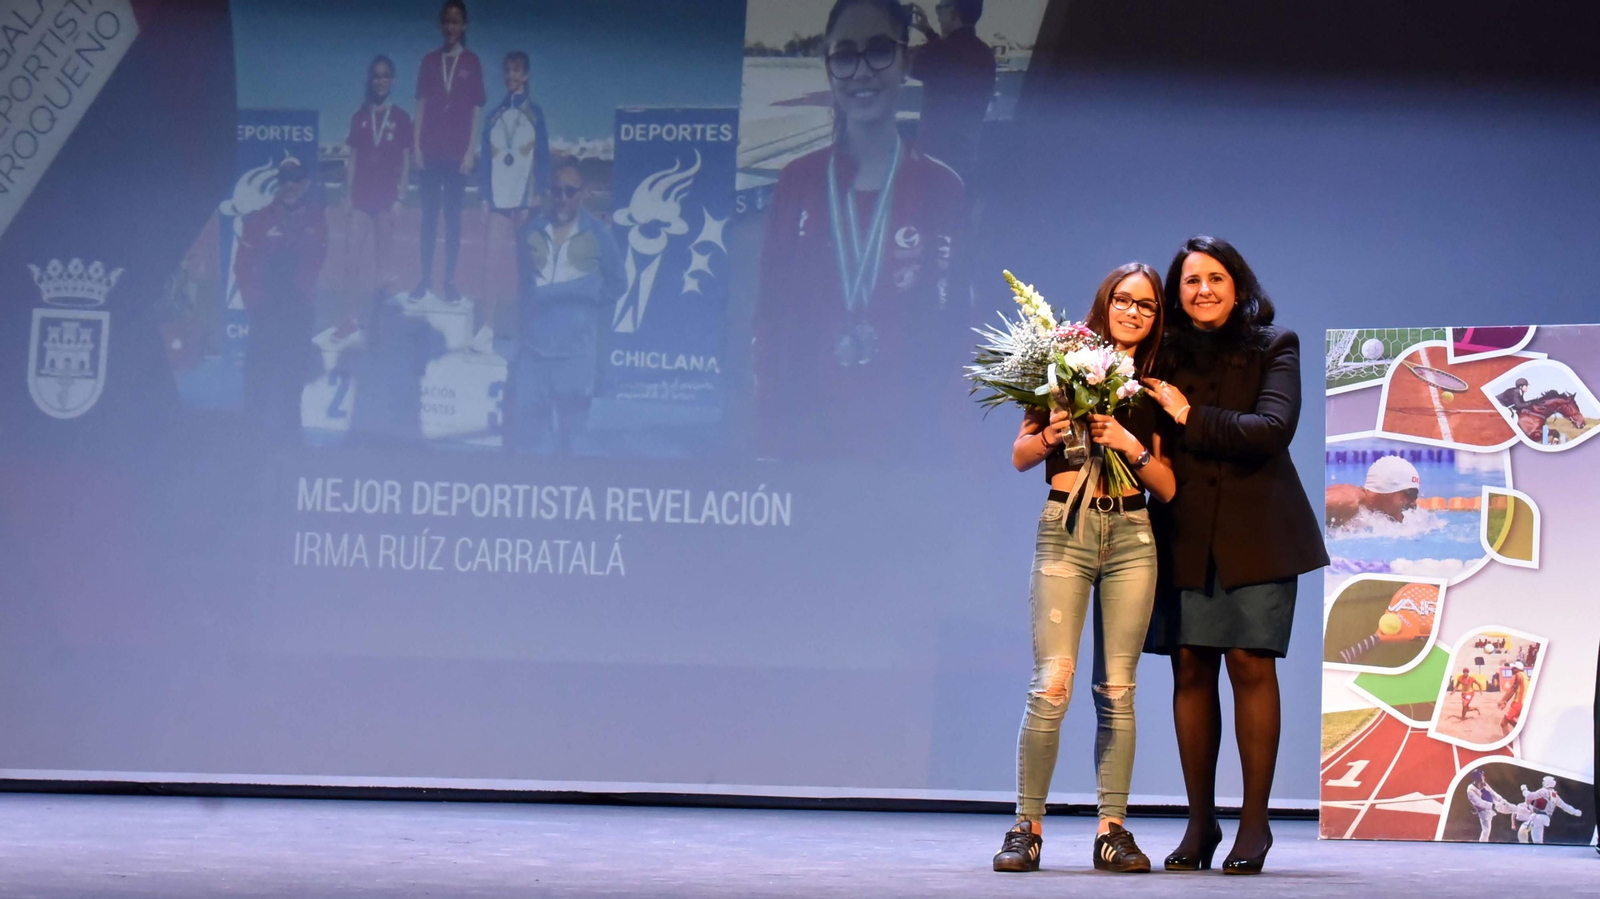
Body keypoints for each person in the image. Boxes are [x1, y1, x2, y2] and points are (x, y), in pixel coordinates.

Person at [1140, 235, 1328, 875]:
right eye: (1191, 282)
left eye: (1215, 278)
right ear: (1177, 294)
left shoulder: (1275, 346)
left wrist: (1192, 417)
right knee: (1189, 669)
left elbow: (1271, 431)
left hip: (1260, 534)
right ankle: (1200, 822)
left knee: (1251, 666)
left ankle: (1255, 822)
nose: (1204, 290)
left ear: (1239, 286)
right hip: (1183, 531)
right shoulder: (1159, 355)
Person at [991, 263, 1176, 875]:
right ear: (1105, 302)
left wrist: (1129, 444)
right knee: (1053, 682)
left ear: (1156, 317)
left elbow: (1168, 486)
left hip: (1130, 534)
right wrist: (1052, 434)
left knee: (1117, 690)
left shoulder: (1156, 385)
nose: (1134, 312)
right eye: (1124, 300)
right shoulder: (1059, 364)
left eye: (1147, 306)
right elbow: (1020, 455)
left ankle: (1112, 831)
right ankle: (1027, 827)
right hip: (1066, 531)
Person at [752, 0, 967, 462]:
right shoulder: (798, 182)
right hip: (808, 445)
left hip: (909, 451)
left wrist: (948, 456)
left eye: (878, 51)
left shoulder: (942, 188)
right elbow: (769, 315)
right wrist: (771, 437)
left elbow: (957, 333)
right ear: (829, 67)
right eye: (845, 55)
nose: (861, 70)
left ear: (906, 60)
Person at [512, 160, 624, 455]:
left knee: (572, 444)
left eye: (570, 191)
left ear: (583, 193)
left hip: (575, 359)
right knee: (531, 445)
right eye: (556, 190)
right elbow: (523, 283)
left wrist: (582, 305)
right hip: (533, 357)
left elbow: (617, 283)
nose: (562, 198)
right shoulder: (532, 230)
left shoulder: (599, 234)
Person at [317, 55, 412, 353]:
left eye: (385, 76)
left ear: (392, 80)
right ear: (370, 80)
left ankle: (380, 323)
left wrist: (400, 197)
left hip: (386, 200)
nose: (380, 81)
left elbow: (406, 160)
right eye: (375, 76)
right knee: (351, 262)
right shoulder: (359, 116)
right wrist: (346, 196)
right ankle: (349, 319)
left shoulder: (401, 117)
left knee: (383, 267)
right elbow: (353, 158)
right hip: (360, 198)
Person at [235, 157, 328, 441]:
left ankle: (291, 430)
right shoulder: (259, 219)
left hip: (298, 309)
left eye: (296, 180)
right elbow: (241, 265)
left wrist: (305, 296)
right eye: (285, 180)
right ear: (279, 183)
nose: (291, 186)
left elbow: (318, 260)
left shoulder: (316, 218)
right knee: (259, 371)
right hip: (266, 308)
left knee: (294, 370)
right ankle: (252, 431)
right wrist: (255, 301)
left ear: (305, 184)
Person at [475, 50, 550, 354]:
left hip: (524, 201)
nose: (511, 76)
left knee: (526, 269)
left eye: (517, 71)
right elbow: (484, 161)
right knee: (490, 266)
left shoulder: (535, 113)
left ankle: (526, 331)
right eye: (507, 71)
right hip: (497, 201)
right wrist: (483, 197)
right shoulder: (493, 115)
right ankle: (487, 329)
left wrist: (538, 194)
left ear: (526, 75)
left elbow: (542, 156)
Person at [411, 0, 486, 305]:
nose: (451, 27)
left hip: (457, 154)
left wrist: (470, 151)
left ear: (464, 26)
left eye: (456, 22)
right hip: (429, 151)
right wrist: (416, 147)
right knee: (429, 219)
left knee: (453, 220)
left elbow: (476, 110)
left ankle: (450, 282)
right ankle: (424, 279)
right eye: (447, 22)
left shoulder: (472, 62)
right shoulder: (429, 61)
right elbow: (421, 105)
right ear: (441, 25)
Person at [908, 0, 993, 182]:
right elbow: (949, 55)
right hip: (966, 159)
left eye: (940, 7)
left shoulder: (941, 52)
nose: (937, 13)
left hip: (933, 161)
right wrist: (929, 33)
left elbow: (899, 62)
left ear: (953, 14)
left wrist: (896, 27)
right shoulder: (986, 54)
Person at [1324, 455, 1421, 528]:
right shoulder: (1348, 502)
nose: (1413, 504)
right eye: (1411, 494)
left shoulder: (1375, 516)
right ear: (1389, 490)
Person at [1512, 776, 1583, 844]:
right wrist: (1575, 812)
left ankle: (1537, 853)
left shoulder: (1544, 791)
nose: (1542, 783)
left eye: (1544, 782)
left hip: (1538, 817)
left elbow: (1529, 796)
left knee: (1537, 839)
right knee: (1523, 830)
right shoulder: (1555, 796)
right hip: (1541, 817)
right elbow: (1565, 806)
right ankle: (1527, 848)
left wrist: (1524, 789)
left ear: (1547, 783)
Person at [1465, 769, 1509, 842]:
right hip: (1484, 811)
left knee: (1509, 807)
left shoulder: (1484, 783)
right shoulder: (1470, 790)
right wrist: (1492, 806)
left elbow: (1492, 793)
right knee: (1486, 830)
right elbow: (1479, 803)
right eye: (1482, 776)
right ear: (1478, 778)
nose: (1484, 777)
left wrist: (1500, 799)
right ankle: (1483, 845)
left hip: (1494, 804)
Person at [1499, 660, 1528, 737]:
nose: (1511, 669)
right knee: (1511, 720)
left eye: (1513, 668)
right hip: (1523, 703)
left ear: (1517, 669)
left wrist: (1503, 701)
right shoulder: (1525, 676)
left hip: (1518, 703)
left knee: (1503, 722)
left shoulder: (1518, 675)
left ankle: (1507, 742)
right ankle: (1523, 732)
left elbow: (1512, 690)